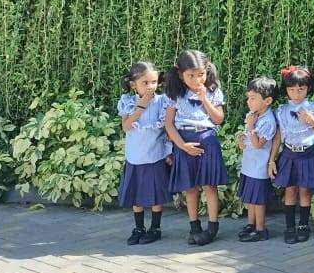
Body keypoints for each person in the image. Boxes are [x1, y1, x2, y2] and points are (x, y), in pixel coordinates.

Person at [163, 49, 227, 246]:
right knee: (190, 187)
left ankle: (213, 227)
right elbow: (169, 124)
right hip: (185, 140)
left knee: (209, 185)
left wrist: (204, 98)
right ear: (181, 74)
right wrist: (182, 146)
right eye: (191, 75)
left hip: (207, 139)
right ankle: (195, 227)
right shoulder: (175, 94)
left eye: (201, 74)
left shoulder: (213, 91)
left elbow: (218, 119)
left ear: (207, 71)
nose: (197, 79)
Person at [271, 66, 314, 245]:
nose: (296, 94)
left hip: (307, 154)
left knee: (305, 190)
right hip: (289, 154)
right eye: (292, 90)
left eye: (301, 89)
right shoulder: (282, 110)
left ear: (308, 88)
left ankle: (303, 225)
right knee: (290, 190)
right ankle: (289, 227)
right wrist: (272, 159)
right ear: (286, 90)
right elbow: (278, 136)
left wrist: (311, 119)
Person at [118, 61, 171, 246]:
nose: (150, 86)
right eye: (145, 83)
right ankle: (139, 227)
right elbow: (126, 127)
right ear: (134, 84)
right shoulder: (128, 102)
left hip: (155, 154)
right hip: (135, 156)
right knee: (136, 194)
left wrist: (170, 152)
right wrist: (141, 107)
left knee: (155, 194)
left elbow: (168, 128)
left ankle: (155, 228)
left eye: (154, 82)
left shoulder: (162, 101)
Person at [237, 76, 278, 242]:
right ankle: (251, 224)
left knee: (258, 200)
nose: (249, 102)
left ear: (268, 101)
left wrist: (251, 127)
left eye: (253, 98)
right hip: (249, 165)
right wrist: (242, 138)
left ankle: (261, 229)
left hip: (259, 167)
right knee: (251, 198)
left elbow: (259, 144)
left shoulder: (268, 121)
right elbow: (248, 137)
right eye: (248, 97)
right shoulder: (254, 115)